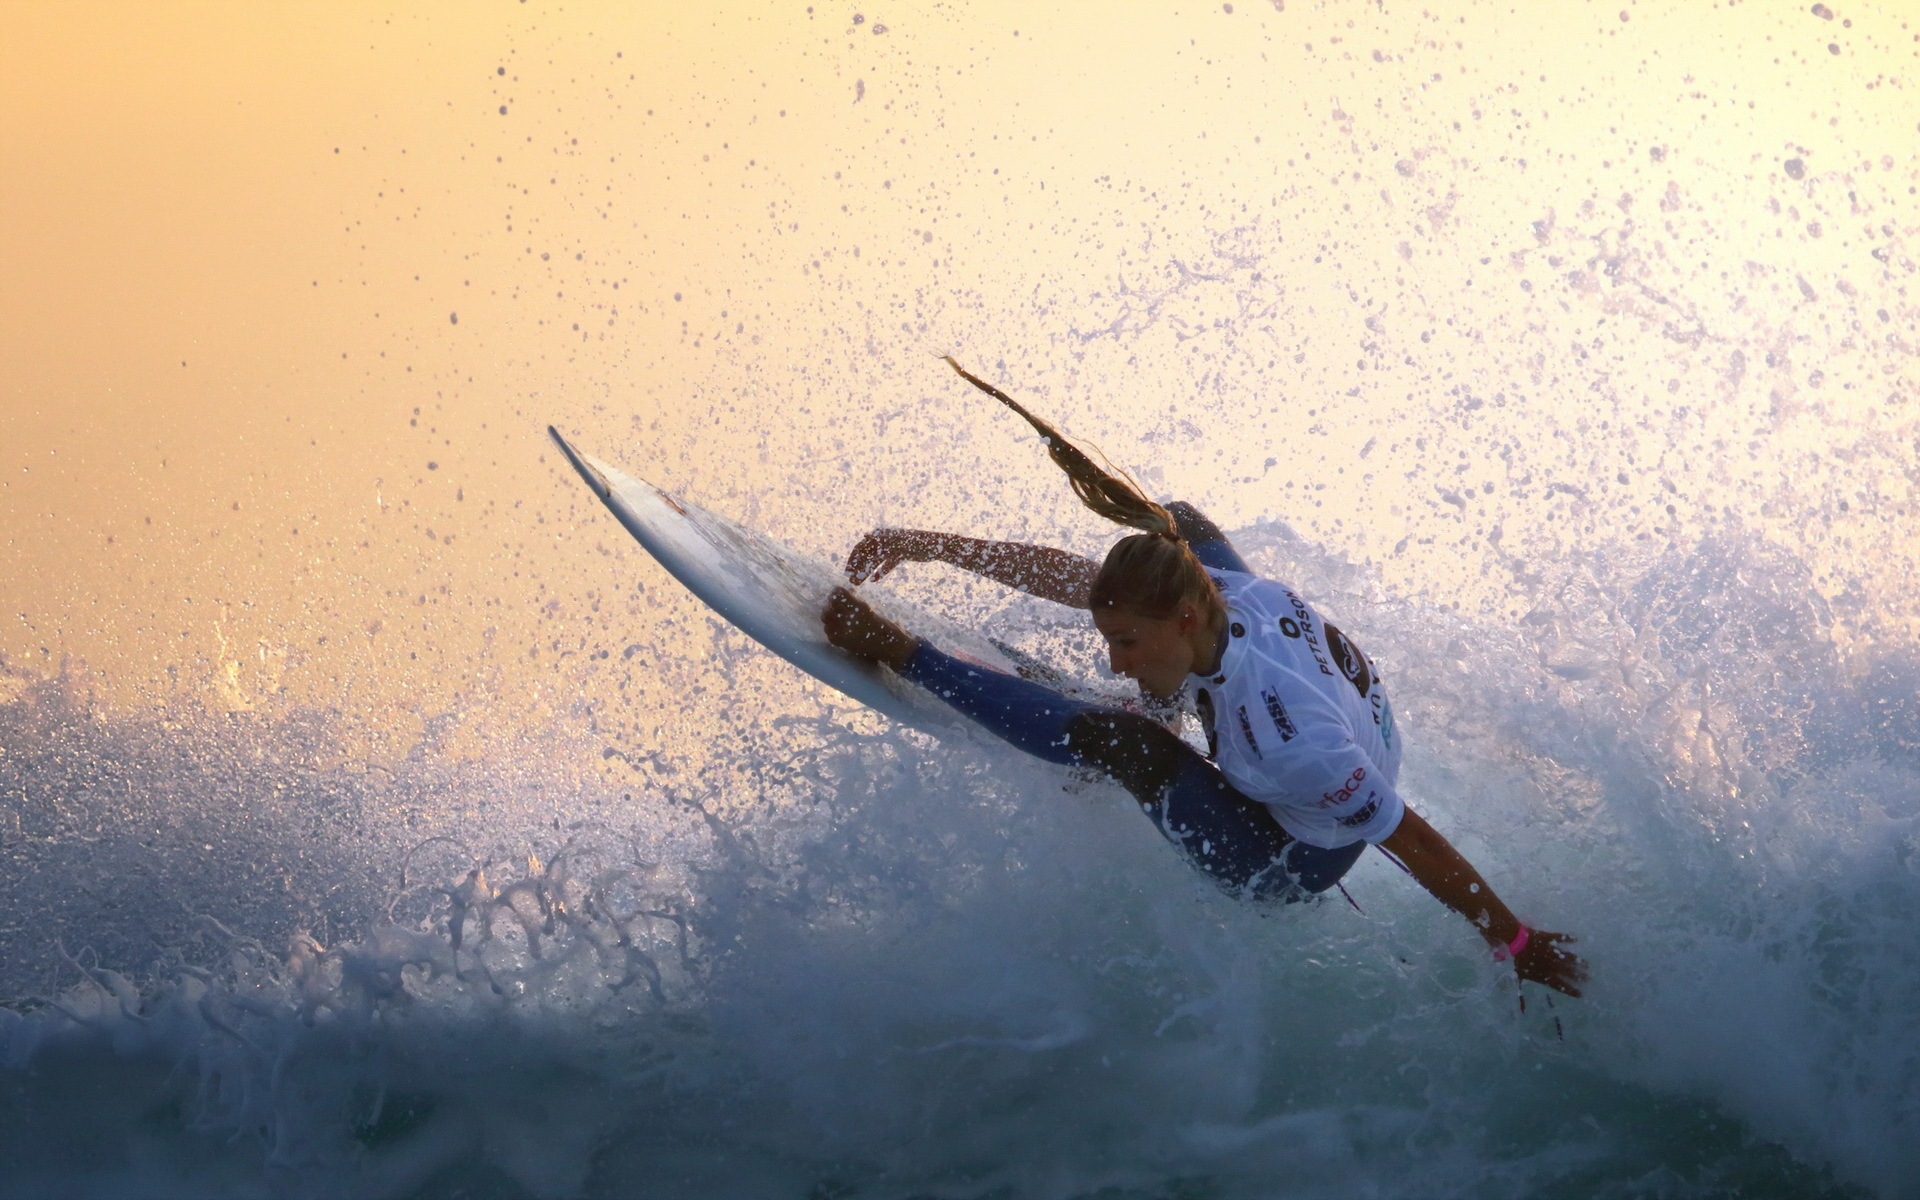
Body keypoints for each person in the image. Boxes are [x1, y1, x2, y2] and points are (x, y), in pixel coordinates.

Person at [821, 360, 1585, 998]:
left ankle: (907, 653)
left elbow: (1414, 841)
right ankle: (1161, 711)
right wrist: (931, 545)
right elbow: (1090, 582)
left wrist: (1515, 942)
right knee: (1178, 523)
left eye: (1127, 644)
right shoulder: (1219, 591)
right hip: (1343, 730)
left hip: (1287, 857)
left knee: (1123, 741)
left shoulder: (1292, 739)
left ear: (1186, 620)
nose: (1114, 659)